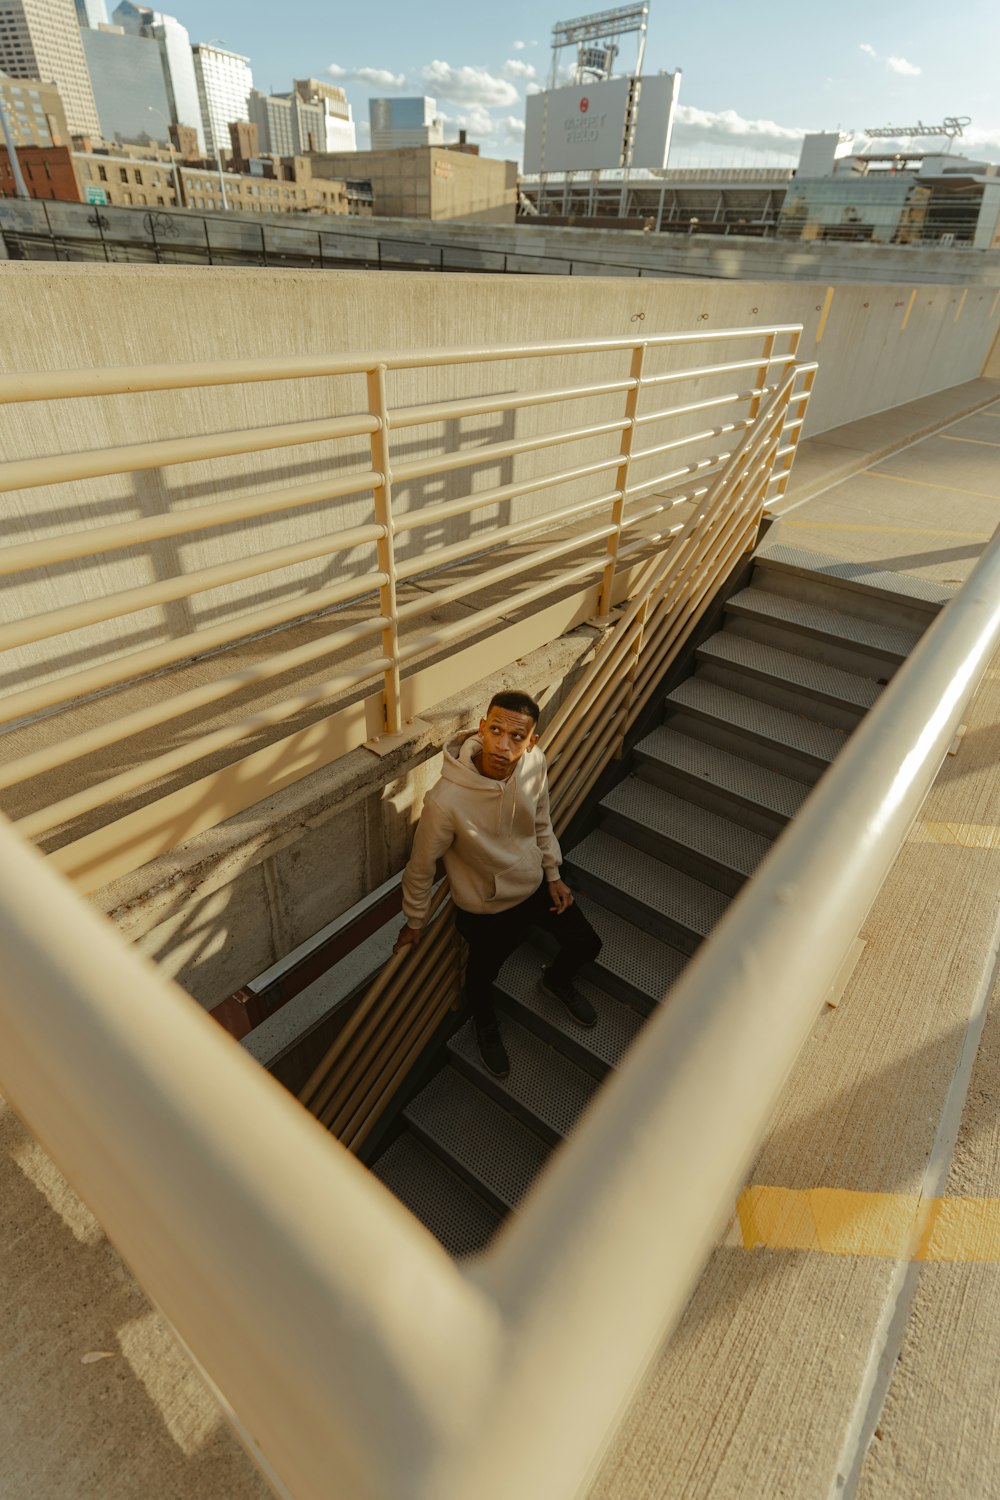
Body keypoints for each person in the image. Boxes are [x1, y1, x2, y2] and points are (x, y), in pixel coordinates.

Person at [395, 690, 602, 1080]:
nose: (503, 746)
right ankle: (485, 1028)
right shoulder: (445, 800)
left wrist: (553, 874)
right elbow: (421, 865)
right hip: (486, 909)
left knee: (588, 944)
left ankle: (556, 981)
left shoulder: (533, 764)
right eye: (496, 731)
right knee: (480, 979)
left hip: (535, 884)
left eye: (517, 737)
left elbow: (541, 820)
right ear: (482, 729)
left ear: (531, 742)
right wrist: (415, 920)